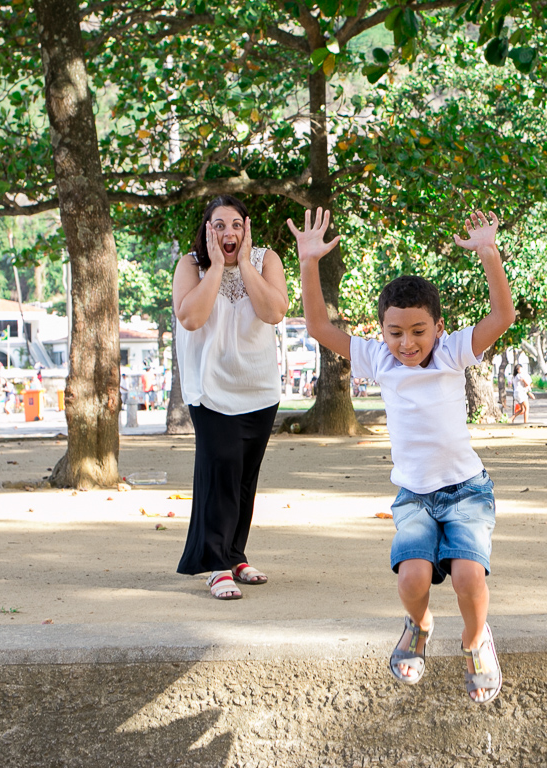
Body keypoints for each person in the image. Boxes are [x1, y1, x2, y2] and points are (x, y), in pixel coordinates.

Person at [292, 206, 516, 704]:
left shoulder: (454, 351)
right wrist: (309, 262)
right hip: (414, 496)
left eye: (418, 331)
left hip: (466, 492)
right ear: (382, 330)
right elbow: (317, 327)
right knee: (413, 576)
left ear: (438, 326)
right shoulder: (377, 358)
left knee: (466, 574)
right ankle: (419, 625)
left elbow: (502, 316)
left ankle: (476, 640)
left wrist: (488, 252)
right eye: (395, 332)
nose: (407, 342)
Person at [173, 195, 288, 601]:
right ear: (207, 229)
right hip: (210, 388)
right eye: (219, 225)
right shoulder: (191, 265)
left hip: (258, 388)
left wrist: (243, 265)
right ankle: (216, 565)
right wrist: (218, 268)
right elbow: (191, 318)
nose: (229, 232)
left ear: (247, 227)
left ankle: (235, 554)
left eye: (236, 224)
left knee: (243, 478)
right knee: (219, 469)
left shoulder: (265, 260)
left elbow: (274, 311)